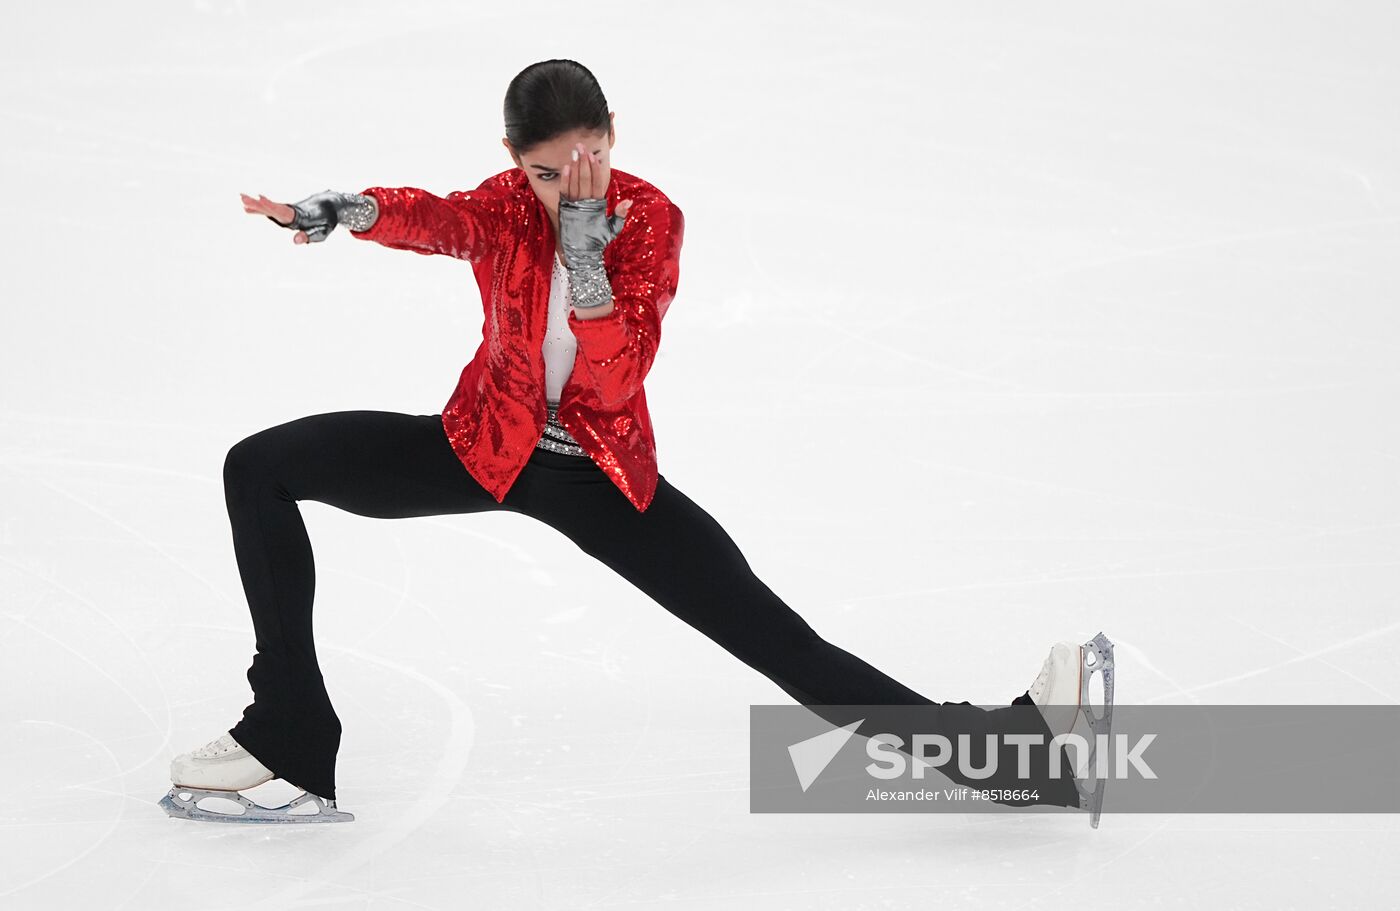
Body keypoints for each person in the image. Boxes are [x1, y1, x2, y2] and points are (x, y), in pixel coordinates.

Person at [157, 59, 1115, 828]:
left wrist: (586, 259)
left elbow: (615, 376)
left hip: (594, 475)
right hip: (481, 446)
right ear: (512, 157)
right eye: (542, 173)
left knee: (783, 644)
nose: (565, 188)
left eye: (586, 162)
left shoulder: (649, 219)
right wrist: (347, 210)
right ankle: (287, 738)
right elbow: (439, 218)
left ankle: (1019, 756)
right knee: (260, 465)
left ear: (611, 138)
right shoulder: (501, 201)